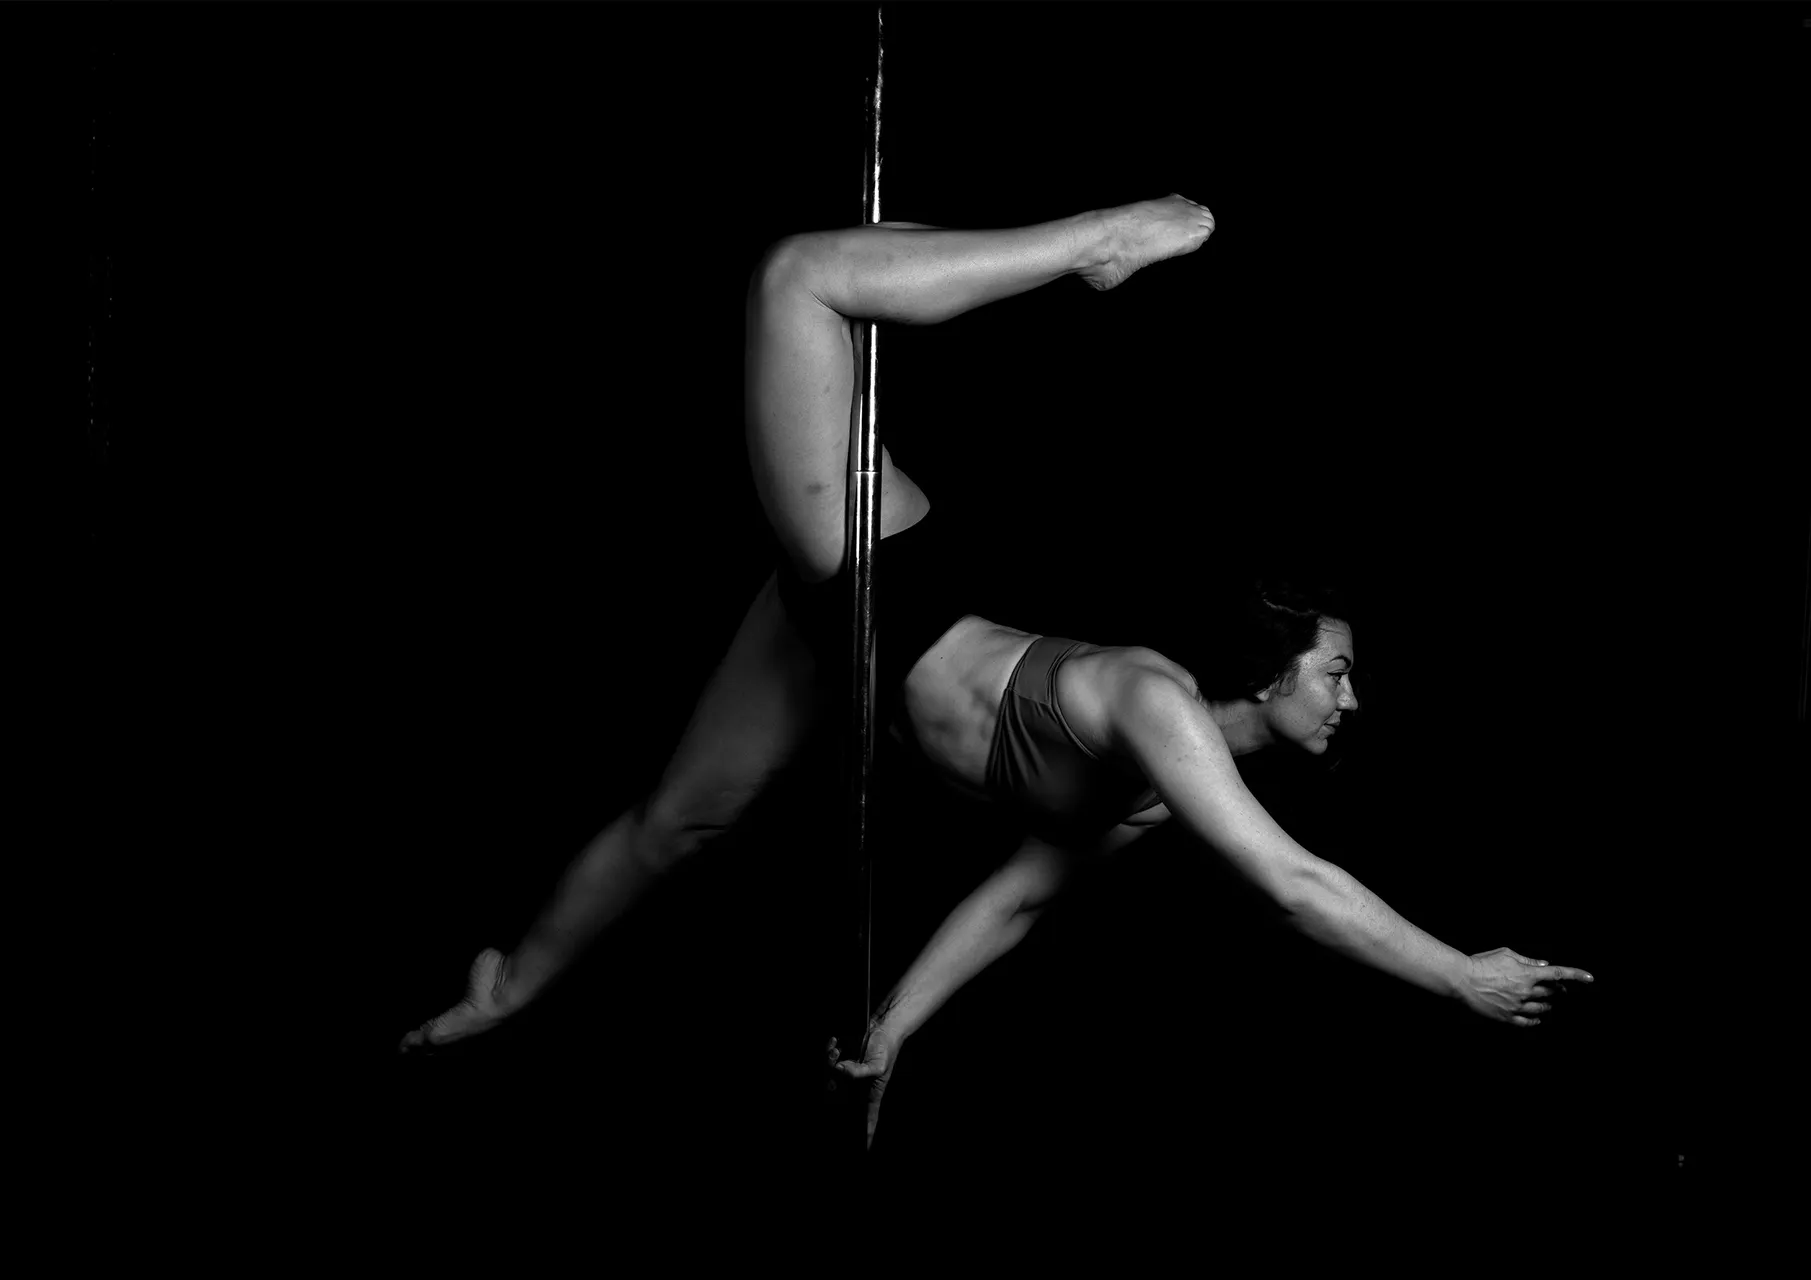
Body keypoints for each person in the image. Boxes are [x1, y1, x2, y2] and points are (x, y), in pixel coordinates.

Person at [399, 197, 1593, 1151]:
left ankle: (504, 993)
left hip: (848, 657)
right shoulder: (1155, 704)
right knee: (799, 278)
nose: (1351, 697)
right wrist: (1455, 973)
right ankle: (1092, 243)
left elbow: (1014, 899)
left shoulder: (1149, 796)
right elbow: (1289, 881)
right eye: (1336, 672)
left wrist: (892, 1028)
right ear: (1273, 673)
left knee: (681, 819)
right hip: (883, 582)